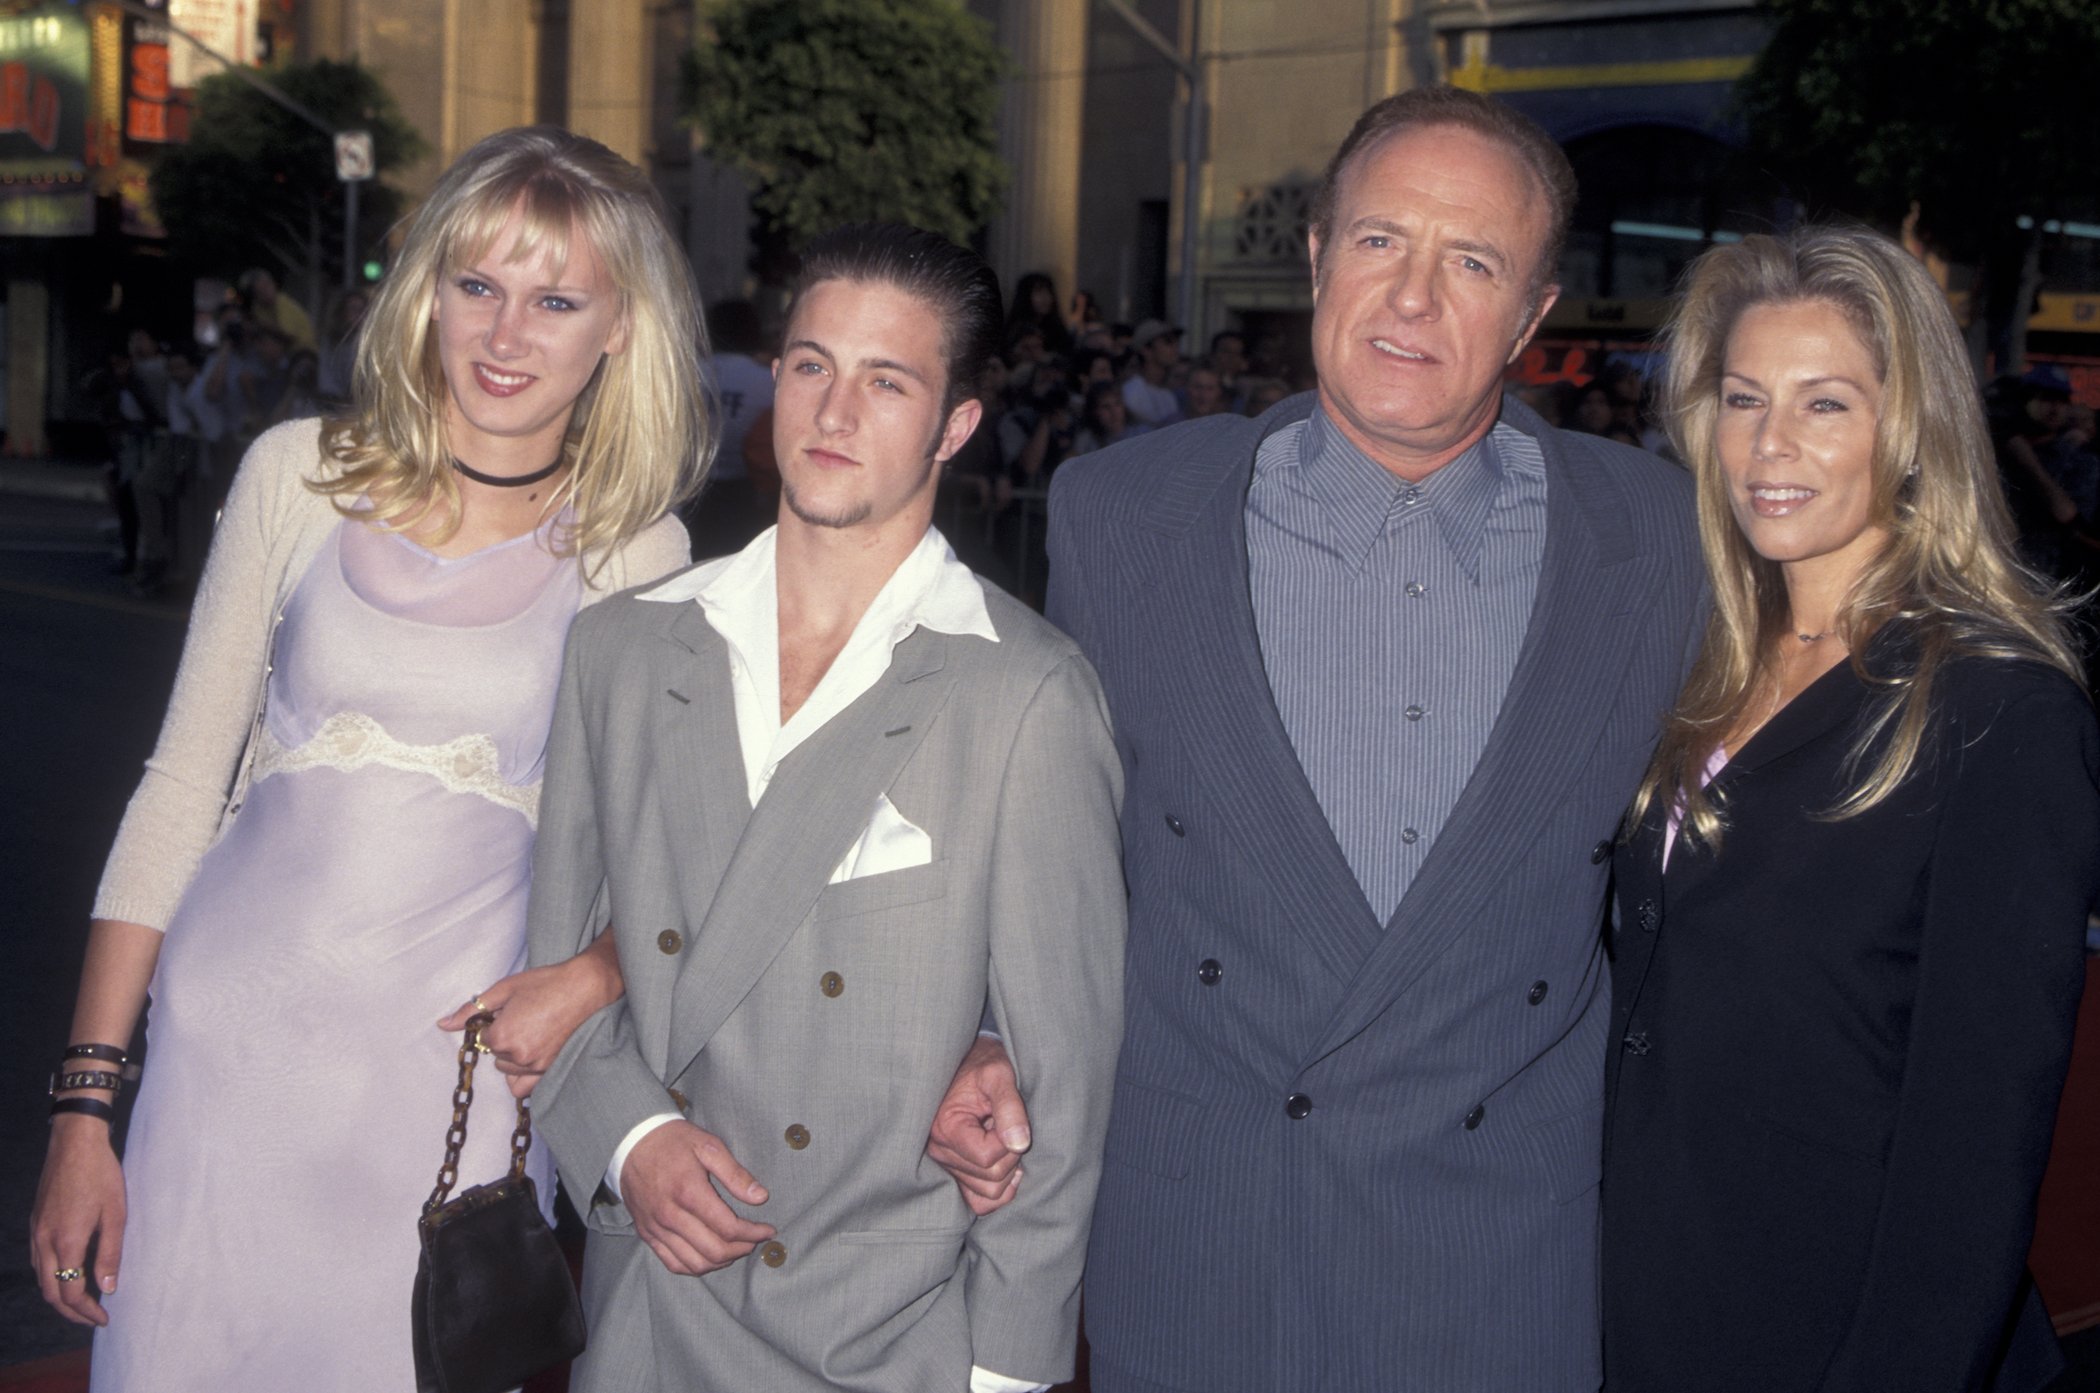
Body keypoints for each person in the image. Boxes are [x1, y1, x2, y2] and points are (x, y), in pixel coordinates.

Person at [928, 85, 1707, 1391]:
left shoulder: (1662, 544)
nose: (1411, 297)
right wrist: (989, 1027)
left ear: (1532, 315)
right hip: (1207, 1244)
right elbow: (1052, 847)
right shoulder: (1122, 516)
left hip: (1499, 1268)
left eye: (1471, 262)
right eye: (1378, 240)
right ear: (1313, 256)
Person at [30, 125, 708, 1391]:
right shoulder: (298, 475)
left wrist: (597, 972)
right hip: (222, 1075)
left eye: (555, 300)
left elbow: (666, 863)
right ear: (427, 291)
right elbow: (179, 789)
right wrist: (84, 1108)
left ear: (619, 329)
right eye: (477, 286)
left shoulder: (636, 552)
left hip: (445, 1109)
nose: (507, 337)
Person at [521, 222, 1124, 1393]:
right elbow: (564, 977)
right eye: (811, 364)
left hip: (884, 1335)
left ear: (954, 424)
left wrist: (1002, 1376)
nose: (833, 412)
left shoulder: (1025, 694)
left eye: (885, 380)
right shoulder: (624, 651)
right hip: (653, 1299)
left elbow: (1064, 1083)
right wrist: (633, 1143)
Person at [1604, 226, 2099, 1393]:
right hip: (1651, 1307)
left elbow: (1973, 1151)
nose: (1770, 444)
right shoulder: (1691, 663)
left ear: (1912, 428)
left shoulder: (1997, 710)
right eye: (1743, 398)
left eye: (1825, 404)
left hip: (1840, 1338)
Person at [1119, 319, 1184, 427]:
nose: (1175, 348)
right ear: (1146, 350)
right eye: (1168, 342)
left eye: (1176, 342)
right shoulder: (1132, 392)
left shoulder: (1168, 396)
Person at [238, 266, 317, 352]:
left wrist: (263, 327)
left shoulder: (282, 303)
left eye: (267, 286)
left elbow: (290, 336)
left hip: (304, 351)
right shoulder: (258, 309)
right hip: (281, 355)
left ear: (274, 284)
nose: (266, 292)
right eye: (260, 291)